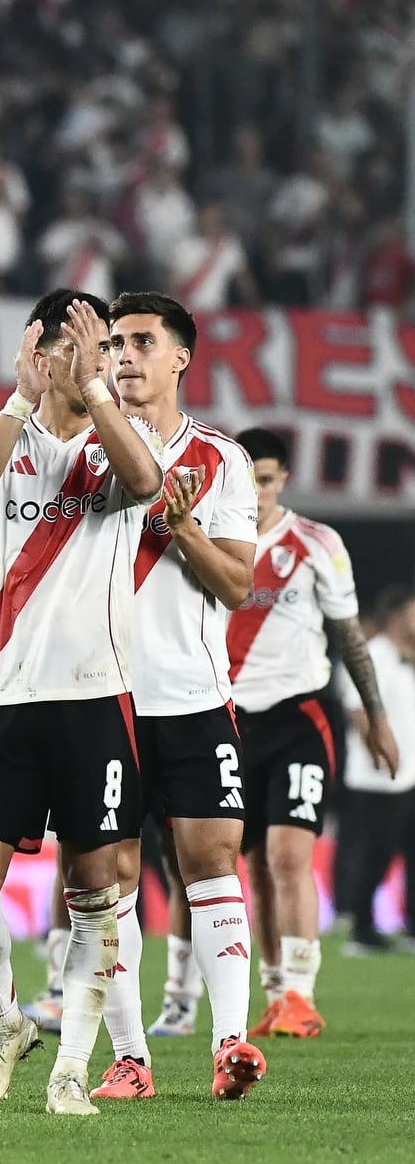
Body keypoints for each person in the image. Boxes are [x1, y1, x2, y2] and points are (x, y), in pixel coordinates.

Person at [0, 292, 171, 1116]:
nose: (97, 358)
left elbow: (145, 485)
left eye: (106, 346)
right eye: (79, 344)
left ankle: (73, 1064)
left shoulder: (124, 438)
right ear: (36, 351)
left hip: (91, 696)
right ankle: (7, 1022)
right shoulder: (3, 436)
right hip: (2, 694)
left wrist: (99, 391)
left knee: (96, 886)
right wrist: (16, 397)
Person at [87, 293, 259, 1102]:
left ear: (180, 358)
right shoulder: (81, 450)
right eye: (116, 343)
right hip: (97, 699)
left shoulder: (220, 460)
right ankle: (131, 1057)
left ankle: (230, 1043)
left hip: (192, 695)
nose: (124, 355)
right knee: (107, 876)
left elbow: (235, 584)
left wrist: (181, 528)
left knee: (210, 860)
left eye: (142, 342)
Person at [202, 430, 397, 1031]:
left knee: (290, 857)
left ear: (282, 479)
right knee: (253, 865)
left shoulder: (317, 542)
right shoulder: (204, 537)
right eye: (246, 479)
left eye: (265, 479)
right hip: (227, 721)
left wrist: (377, 717)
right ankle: (276, 992)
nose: (256, 492)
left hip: (298, 719)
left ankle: (303, 994)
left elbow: (349, 637)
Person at [332, 588, 413, 953]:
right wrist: (376, 749)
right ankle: (361, 928)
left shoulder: (408, 659)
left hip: (411, 774)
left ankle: (410, 928)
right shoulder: (373, 655)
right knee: (374, 852)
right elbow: (356, 708)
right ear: (396, 616)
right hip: (376, 777)